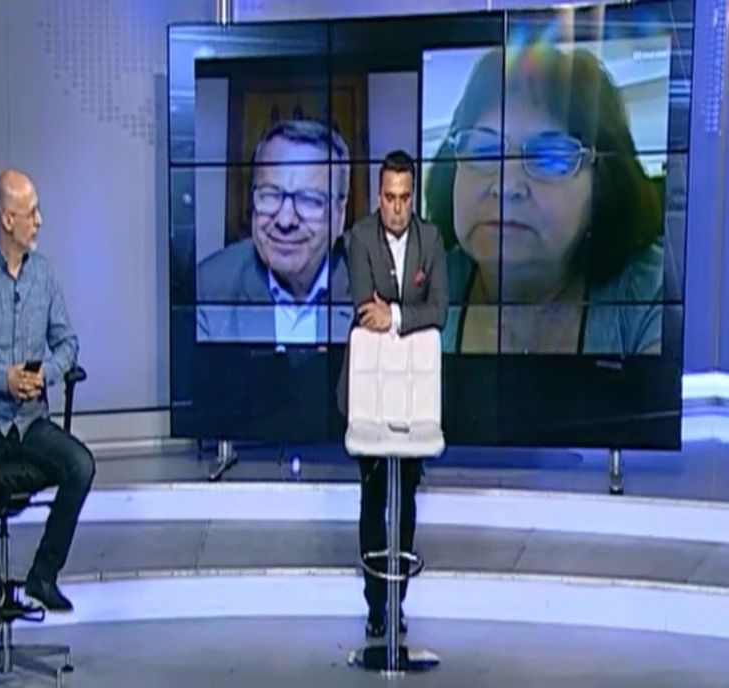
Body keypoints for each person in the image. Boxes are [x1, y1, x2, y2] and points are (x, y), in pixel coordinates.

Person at [424, 44, 664, 355]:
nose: (506, 186)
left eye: (549, 157)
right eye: (483, 150)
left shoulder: (650, 295)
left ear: (602, 183)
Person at [0, 168, 96, 639]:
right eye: (31, 213)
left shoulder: (44, 276)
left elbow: (68, 344)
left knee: (81, 465)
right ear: (7, 219)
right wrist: (1, 378)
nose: (40, 221)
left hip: (31, 420)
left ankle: (42, 576)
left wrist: (42, 374)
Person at [337, 151, 449, 639]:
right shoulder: (360, 238)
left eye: (404, 198)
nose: (397, 208)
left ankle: (397, 602)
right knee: (373, 500)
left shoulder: (432, 240)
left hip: (414, 398)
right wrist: (404, 315)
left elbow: (440, 309)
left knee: (404, 503)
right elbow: (367, 311)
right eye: (389, 197)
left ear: (413, 196)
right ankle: (375, 605)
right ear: (378, 196)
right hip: (369, 393)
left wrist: (398, 315)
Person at [196, 118, 353, 344]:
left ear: (340, 212)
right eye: (270, 195)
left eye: (308, 200)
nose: (285, 220)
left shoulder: (373, 287)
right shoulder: (210, 286)